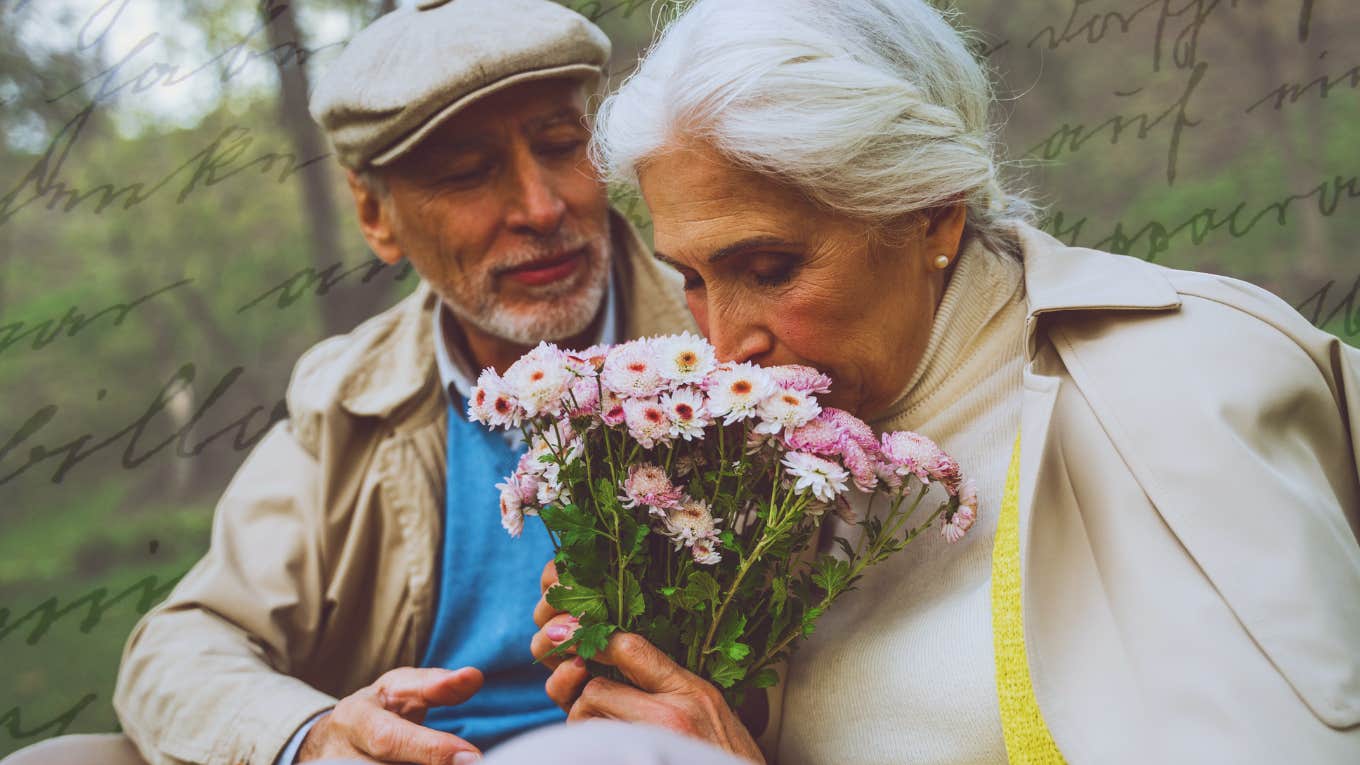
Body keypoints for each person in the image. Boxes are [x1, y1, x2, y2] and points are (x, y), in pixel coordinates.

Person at [526, 0, 1360, 763]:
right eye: (694, 278)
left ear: (932, 208)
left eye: (772, 267)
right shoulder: (749, 451)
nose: (725, 344)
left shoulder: (1184, 386)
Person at [0, 2, 693, 765]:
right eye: (469, 174)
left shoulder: (719, 341)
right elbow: (182, 642)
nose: (540, 206)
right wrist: (312, 737)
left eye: (563, 146)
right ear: (375, 214)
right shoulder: (349, 395)